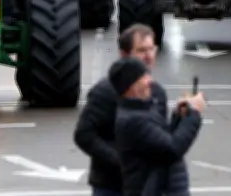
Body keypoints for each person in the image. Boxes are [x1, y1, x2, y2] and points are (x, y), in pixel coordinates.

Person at [74, 24, 168, 196]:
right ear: (124, 54)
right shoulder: (105, 91)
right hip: (111, 186)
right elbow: (84, 134)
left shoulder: (158, 93)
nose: (148, 56)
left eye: (151, 49)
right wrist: (119, 159)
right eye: (141, 50)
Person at [112, 57, 203, 196]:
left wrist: (179, 117)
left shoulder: (142, 111)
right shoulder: (134, 120)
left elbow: (163, 141)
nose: (150, 81)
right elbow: (172, 149)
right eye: (143, 77)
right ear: (131, 85)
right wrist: (194, 114)